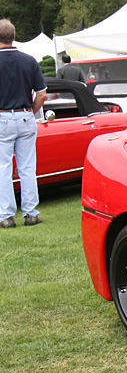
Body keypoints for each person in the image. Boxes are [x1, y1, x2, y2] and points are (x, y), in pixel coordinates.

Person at [0, 19, 48, 228]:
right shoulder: (29, 60)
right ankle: (30, 213)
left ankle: (6, 216)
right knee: (28, 168)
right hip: (25, 115)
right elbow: (42, 94)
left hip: (2, 118)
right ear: (13, 36)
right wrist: (31, 110)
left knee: (3, 168)